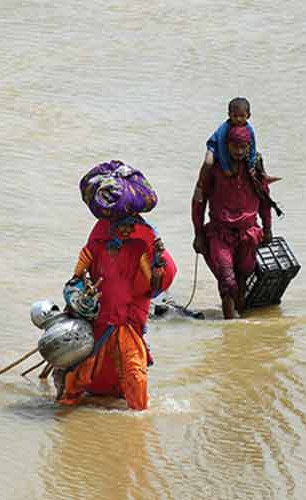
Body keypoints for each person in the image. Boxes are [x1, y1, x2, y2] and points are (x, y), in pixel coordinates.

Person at [55, 215, 176, 411]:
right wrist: (79, 297)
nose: (127, 230)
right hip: (99, 323)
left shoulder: (138, 249)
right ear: (111, 227)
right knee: (80, 376)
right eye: (123, 226)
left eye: (130, 226)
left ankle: (139, 419)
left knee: (135, 373)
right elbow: (75, 280)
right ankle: (64, 411)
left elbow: (151, 288)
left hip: (124, 325)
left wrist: (157, 266)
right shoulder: (93, 249)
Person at [192, 125, 279, 319]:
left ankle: (239, 325)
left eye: (243, 147)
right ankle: (229, 325)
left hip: (248, 233)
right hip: (220, 232)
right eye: (234, 147)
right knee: (227, 279)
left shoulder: (254, 166)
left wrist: (268, 228)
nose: (239, 152)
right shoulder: (214, 168)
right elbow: (198, 200)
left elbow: (264, 199)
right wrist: (198, 233)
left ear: (249, 146)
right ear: (226, 145)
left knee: (242, 276)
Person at [202, 97, 257, 175]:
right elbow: (221, 147)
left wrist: (252, 165)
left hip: (236, 148)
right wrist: (226, 168)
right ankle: (201, 183)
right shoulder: (224, 129)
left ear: (248, 115)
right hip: (216, 147)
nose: (238, 119)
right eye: (235, 116)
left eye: (242, 116)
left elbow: (253, 144)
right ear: (229, 115)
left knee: (258, 160)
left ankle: (263, 178)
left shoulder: (249, 129)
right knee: (208, 162)